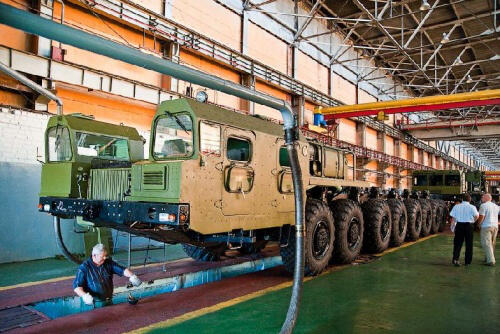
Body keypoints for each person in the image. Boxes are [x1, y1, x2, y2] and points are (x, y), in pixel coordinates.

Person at [73, 244, 142, 305]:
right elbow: (77, 287)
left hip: (108, 301)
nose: (105, 258)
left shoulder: (108, 263)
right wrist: (85, 296)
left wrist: (132, 276)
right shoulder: (84, 268)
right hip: (94, 303)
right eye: (102, 256)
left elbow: (122, 270)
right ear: (94, 255)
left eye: (105, 255)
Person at [450, 193, 479, 266]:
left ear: (462, 199)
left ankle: (455, 259)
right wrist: (473, 221)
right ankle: (467, 262)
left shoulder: (456, 206)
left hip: (459, 225)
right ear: (470, 200)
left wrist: (452, 227)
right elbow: (476, 216)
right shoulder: (472, 207)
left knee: (458, 243)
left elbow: (453, 218)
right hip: (469, 226)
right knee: (469, 244)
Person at [477, 193, 499, 266]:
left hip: (486, 226)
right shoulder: (496, 206)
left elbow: (481, 217)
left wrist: (479, 224)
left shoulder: (483, 206)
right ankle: (488, 257)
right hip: (495, 226)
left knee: (486, 243)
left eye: (483, 197)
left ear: (487, 198)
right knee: (492, 243)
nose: (482, 198)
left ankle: (491, 261)